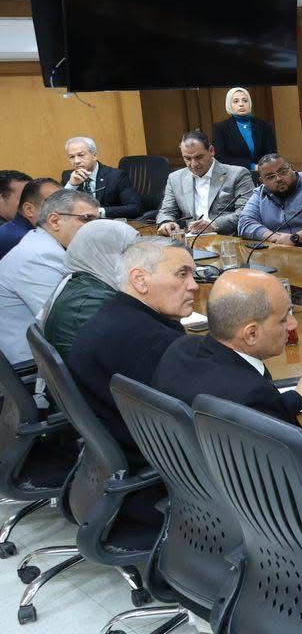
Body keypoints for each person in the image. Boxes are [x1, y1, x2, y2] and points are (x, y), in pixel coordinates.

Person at [68, 238, 198, 456]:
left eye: (193, 274)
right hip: (154, 457)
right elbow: (204, 416)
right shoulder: (156, 343)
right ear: (140, 280)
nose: (194, 285)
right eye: (182, 274)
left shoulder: (113, 313)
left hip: (114, 445)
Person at [155, 269, 302, 422]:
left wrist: (296, 397)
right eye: (283, 319)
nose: (293, 324)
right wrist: (301, 396)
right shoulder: (253, 394)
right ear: (251, 334)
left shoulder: (180, 348)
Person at [0, 188, 98, 364]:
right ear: (55, 220)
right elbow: (68, 323)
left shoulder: (41, 242)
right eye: (86, 219)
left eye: (97, 221)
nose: (95, 228)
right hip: (31, 363)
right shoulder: (38, 258)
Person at [41, 218, 138, 357]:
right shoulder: (93, 305)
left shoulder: (82, 283)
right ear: (101, 254)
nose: (138, 263)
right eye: (130, 254)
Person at [156, 130, 256, 238]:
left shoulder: (238, 174)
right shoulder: (175, 178)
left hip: (227, 239)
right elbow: (167, 211)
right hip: (191, 240)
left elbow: (246, 213)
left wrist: (213, 225)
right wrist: (166, 222)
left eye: (199, 157)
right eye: (187, 159)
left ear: (211, 151)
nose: (194, 164)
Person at [237, 154, 302, 247]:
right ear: (262, 181)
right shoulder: (260, 193)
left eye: (283, 171)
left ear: (292, 168)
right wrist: (273, 237)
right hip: (277, 249)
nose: (278, 178)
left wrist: (295, 238)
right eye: (270, 177)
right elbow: (244, 223)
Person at [61, 136, 142, 219]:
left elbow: (134, 208)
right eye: (72, 157)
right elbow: (57, 208)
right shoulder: (68, 177)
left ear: (94, 155)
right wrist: (72, 185)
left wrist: (98, 212)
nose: (76, 161)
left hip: (108, 223)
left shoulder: (115, 176)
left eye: (81, 155)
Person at [211, 86, 278, 170]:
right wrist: (252, 166)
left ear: (250, 103)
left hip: (265, 172)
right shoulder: (220, 128)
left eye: (245, 100)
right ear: (229, 105)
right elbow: (220, 157)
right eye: (236, 101)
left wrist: (264, 166)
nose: (241, 104)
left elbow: (272, 153)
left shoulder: (264, 126)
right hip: (235, 174)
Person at [0, 178, 59, 260]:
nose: (65, 210)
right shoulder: (27, 240)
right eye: (55, 204)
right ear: (29, 209)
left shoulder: (11, 228)